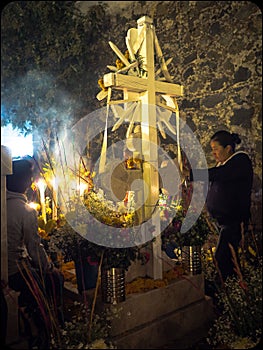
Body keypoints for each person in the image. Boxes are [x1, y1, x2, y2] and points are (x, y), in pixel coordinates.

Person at [6, 157, 64, 348]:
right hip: (14, 271)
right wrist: (49, 267)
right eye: (30, 177)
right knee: (53, 281)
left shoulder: (4, 204)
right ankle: (48, 332)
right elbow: (34, 248)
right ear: (25, 182)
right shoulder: (24, 210)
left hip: (7, 267)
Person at [188, 130, 253, 282]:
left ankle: (225, 295)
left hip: (234, 223)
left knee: (223, 260)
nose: (213, 154)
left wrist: (191, 175)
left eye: (216, 149)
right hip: (224, 223)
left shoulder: (240, 161)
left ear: (228, 148)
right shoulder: (224, 164)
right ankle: (227, 291)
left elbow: (220, 174)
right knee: (225, 261)